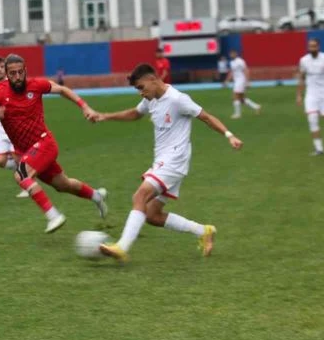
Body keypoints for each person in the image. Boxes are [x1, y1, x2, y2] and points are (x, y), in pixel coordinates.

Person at [90, 63, 243, 262]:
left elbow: (205, 117)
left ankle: (122, 247)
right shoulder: (151, 99)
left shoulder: (178, 99)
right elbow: (135, 113)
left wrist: (229, 135)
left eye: (141, 87)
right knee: (152, 215)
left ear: (153, 79)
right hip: (163, 161)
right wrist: (105, 116)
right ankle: (203, 231)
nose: (140, 93)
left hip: (174, 160)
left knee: (140, 196)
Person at [0, 54, 108, 233]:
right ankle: (96, 196)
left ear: (25, 71)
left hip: (44, 142)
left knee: (21, 175)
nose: (17, 77)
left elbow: (63, 90)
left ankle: (53, 216)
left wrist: (85, 107)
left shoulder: (37, 84)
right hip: (28, 151)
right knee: (63, 185)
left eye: (20, 72)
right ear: (7, 75)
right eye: (13, 73)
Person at [0, 56, 28, 199]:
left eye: (1, 67)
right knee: (0, 161)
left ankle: (26, 185)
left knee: (17, 158)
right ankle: (24, 169)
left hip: (15, 129)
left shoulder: (13, 83)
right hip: (1, 130)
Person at [296, 39, 324, 156]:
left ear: (318, 47)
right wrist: (299, 95)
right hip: (311, 94)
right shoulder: (304, 60)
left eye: (314, 46)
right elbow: (301, 78)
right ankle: (319, 149)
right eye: (310, 46)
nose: (312, 49)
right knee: (312, 119)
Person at [226, 49, 262, 119]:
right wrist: (227, 80)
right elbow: (232, 72)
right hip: (236, 81)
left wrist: (248, 81)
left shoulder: (240, 61)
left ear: (236, 54)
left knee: (235, 97)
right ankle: (257, 107)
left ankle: (237, 114)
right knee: (242, 99)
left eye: (232, 53)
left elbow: (246, 70)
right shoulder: (232, 62)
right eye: (230, 54)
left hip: (241, 80)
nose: (231, 55)